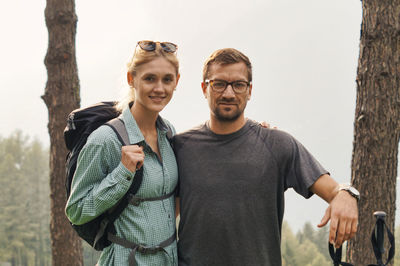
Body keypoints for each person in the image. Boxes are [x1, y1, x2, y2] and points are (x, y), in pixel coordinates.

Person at [173, 48, 359, 266]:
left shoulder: (277, 145)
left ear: (249, 91)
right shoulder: (180, 147)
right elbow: (159, 213)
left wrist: (347, 194)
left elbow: (334, 191)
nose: (229, 93)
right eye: (219, 83)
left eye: (239, 85)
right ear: (205, 88)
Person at [66, 40, 180, 266]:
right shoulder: (105, 139)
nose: (160, 88)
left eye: (167, 79)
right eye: (150, 78)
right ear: (131, 79)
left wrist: (256, 131)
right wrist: (122, 173)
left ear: (177, 81)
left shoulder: (169, 133)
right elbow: (76, 210)